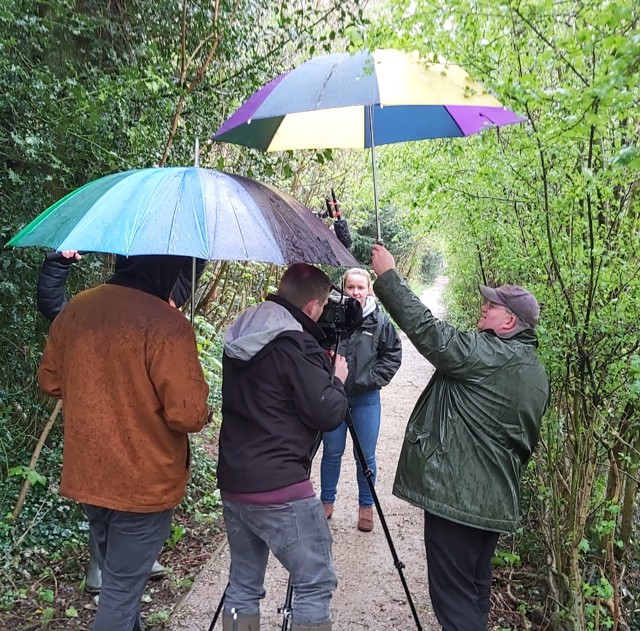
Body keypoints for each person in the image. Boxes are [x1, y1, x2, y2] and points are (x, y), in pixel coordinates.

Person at [370, 244, 549, 631]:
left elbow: (430, 334)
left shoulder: (490, 354)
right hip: (494, 502)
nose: (483, 308)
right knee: (475, 589)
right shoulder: (536, 370)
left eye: (492, 306)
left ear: (510, 321)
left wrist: (388, 278)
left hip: (459, 500)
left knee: (453, 601)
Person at [38, 254, 210, 631]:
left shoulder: (78, 308)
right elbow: (188, 415)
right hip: (143, 484)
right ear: (167, 268)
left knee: (121, 585)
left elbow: (50, 381)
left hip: (89, 474)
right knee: (119, 594)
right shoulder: (166, 323)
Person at [217, 263, 349, 631]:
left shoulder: (243, 332)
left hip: (235, 482)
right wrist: (337, 380)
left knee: (243, 585)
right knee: (314, 581)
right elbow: (326, 412)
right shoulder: (296, 344)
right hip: (280, 484)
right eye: (323, 306)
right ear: (313, 306)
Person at [320, 267, 402, 532]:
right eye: (350, 287)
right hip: (334, 395)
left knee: (365, 455)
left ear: (369, 291)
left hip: (366, 399)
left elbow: (393, 355)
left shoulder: (379, 322)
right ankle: (326, 502)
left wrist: (369, 379)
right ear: (344, 289)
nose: (355, 292)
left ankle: (366, 506)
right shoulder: (330, 316)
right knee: (331, 451)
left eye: (360, 287)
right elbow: (315, 347)